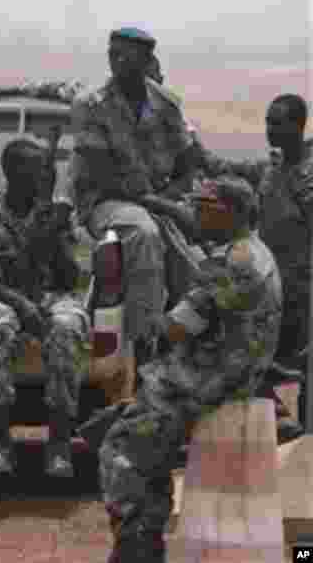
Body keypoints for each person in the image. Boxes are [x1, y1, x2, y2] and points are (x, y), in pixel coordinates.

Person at [98, 175, 282, 563]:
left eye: (201, 207)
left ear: (226, 212)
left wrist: (149, 323)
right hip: (233, 374)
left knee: (121, 447)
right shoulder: (256, 252)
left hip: (203, 381)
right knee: (137, 434)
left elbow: (175, 330)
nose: (194, 213)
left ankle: (137, 545)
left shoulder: (230, 261)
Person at [69, 27, 199, 365]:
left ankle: (190, 345)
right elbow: (100, 174)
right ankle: (146, 344)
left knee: (200, 253)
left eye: (124, 55)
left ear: (147, 61)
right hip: (105, 201)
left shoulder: (167, 105)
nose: (115, 61)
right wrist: (154, 203)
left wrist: (168, 198)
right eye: (112, 53)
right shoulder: (92, 105)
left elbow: (188, 166)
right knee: (144, 232)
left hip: (155, 199)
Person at [193, 93, 312, 435]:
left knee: (299, 368)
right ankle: (283, 420)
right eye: (267, 122)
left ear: (297, 125)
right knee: (256, 358)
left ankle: (301, 436)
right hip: (273, 288)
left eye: (277, 122)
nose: (269, 129)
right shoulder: (272, 170)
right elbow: (221, 168)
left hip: (304, 291)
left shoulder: (306, 177)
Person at [0, 138, 91, 478]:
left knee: (68, 328)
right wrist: (23, 305)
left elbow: (71, 278)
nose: (45, 175)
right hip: (7, 296)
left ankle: (60, 445)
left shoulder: (56, 212)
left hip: (53, 295)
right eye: (38, 169)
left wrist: (53, 233)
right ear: (14, 172)